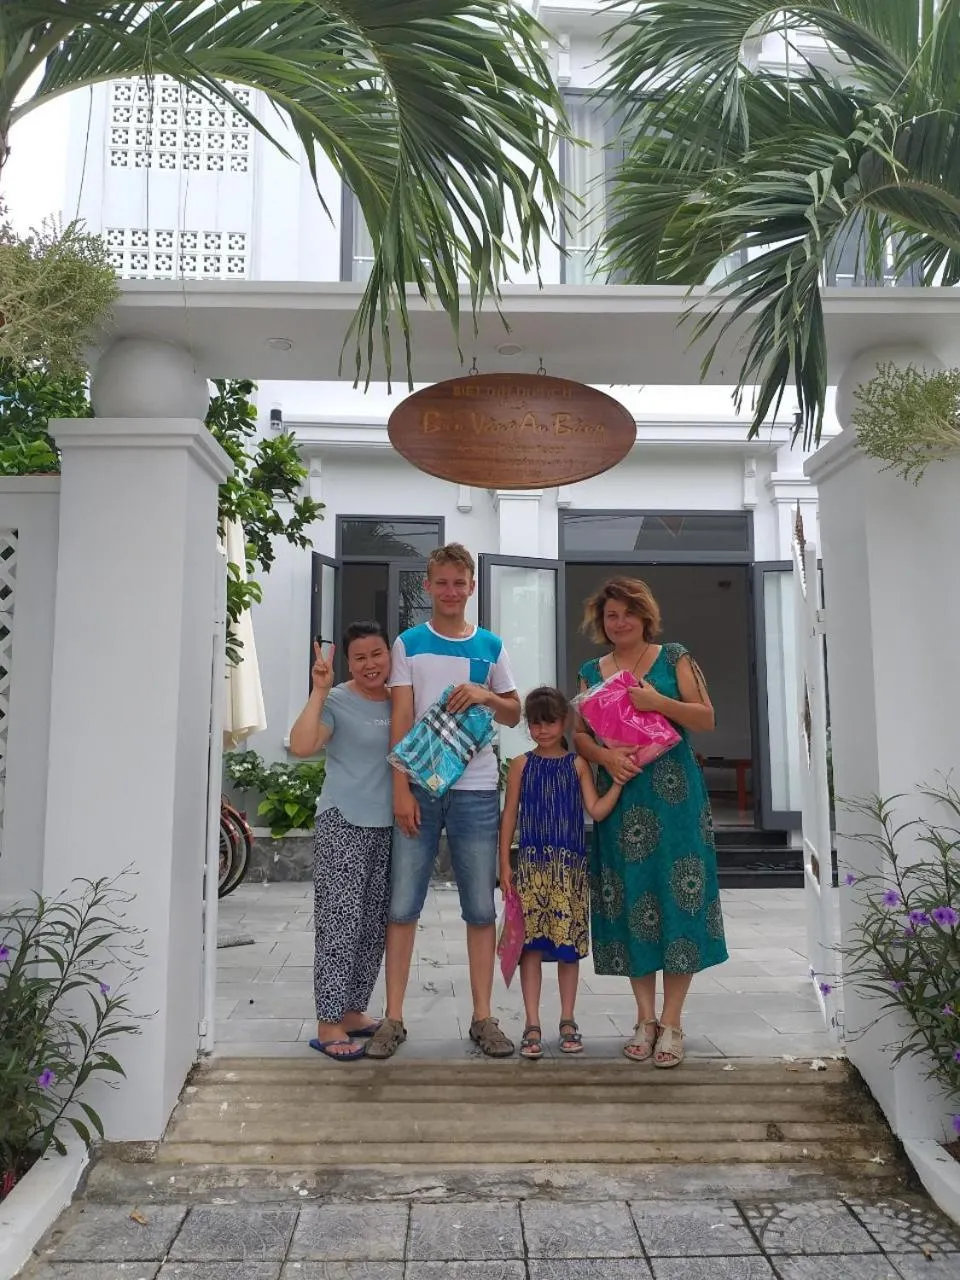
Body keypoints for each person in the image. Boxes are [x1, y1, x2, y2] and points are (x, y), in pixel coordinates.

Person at [366, 543, 521, 1059]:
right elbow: (401, 719)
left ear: (472, 587)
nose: (451, 591)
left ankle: (482, 1017)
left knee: (480, 909)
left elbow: (515, 713)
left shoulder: (491, 646)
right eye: (442, 583)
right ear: (427, 586)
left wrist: (486, 697)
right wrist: (399, 790)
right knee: (403, 905)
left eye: (460, 583)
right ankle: (393, 1018)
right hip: (419, 793)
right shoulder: (409, 643)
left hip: (476, 791)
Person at [574, 577, 728, 1068]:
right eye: (610, 616)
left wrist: (656, 702)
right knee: (632, 899)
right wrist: (603, 755)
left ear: (645, 616)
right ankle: (644, 1018)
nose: (619, 623)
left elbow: (705, 718)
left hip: (676, 797)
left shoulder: (673, 656)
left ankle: (674, 1021)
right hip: (622, 796)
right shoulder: (590, 672)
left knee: (677, 898)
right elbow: (578, 736)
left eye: (627, 614)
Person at [499, 687, 623, 1059]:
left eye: (549, 722)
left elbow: (596, 811)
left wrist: (617, 781)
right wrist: (504, 863)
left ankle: (568, 1019)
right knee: (530, 950)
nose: (542, 730)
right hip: (532, 869)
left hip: (569, 872)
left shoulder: (577, 765)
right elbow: (509, 816)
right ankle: (532, 1023)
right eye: (535, 723)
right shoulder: (520, 764)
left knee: (568, 951)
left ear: (564, 722)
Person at [288, 621, 393, 1061]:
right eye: (360, 657)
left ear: (389, 655)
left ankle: (352, 1010)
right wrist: (318, 691)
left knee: (371, 925)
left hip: (387, 826)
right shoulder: (337, 700)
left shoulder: (400, 698)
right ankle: (329, 1022)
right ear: (350, 662)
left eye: (377, 654)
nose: (370, 664)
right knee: (339, 925)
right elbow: (301, 745)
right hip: (344, 822)